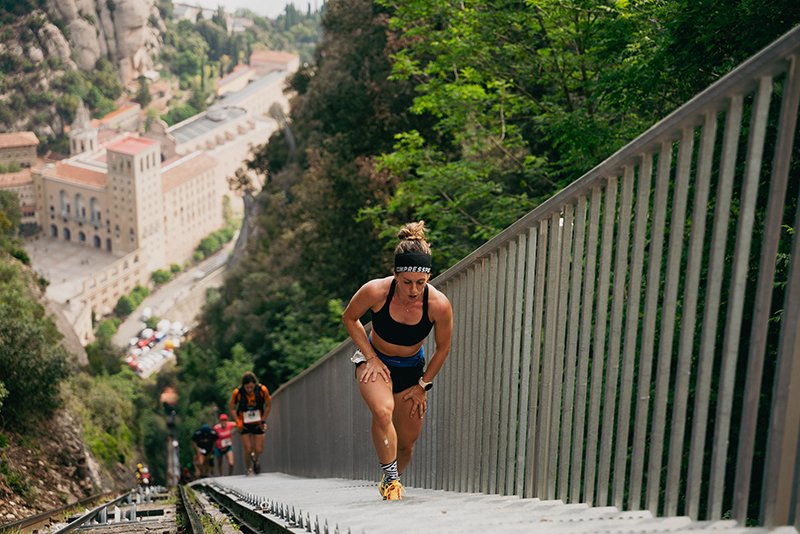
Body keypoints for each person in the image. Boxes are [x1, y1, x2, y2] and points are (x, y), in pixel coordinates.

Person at [342, 221, 453, 501]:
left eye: (420, 282)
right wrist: (369, 357)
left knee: (407, 444)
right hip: (375, 362)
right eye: (406, 283)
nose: (414, 290)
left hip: (411, 371)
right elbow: (350, 318)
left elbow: (443, 348)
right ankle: (392, 481)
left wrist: (423, 385)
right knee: (383, 411)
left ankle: (392, 478)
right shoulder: (376, 291)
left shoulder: (438, 304)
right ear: (395, 274)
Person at [229, 371, 271, 475]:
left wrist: (263, 420)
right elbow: (232, 408)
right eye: (247, 388)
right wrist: (238, 421)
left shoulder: (262, 390)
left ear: (254, 385)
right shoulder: (237, 393)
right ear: (243, 386)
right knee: (247, 449)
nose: (249, 390)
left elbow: (268, 405)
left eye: (251, 387)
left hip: (258, 422)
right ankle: (248, 468)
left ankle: (256, 459)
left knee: (259, 449)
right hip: (244, 423)